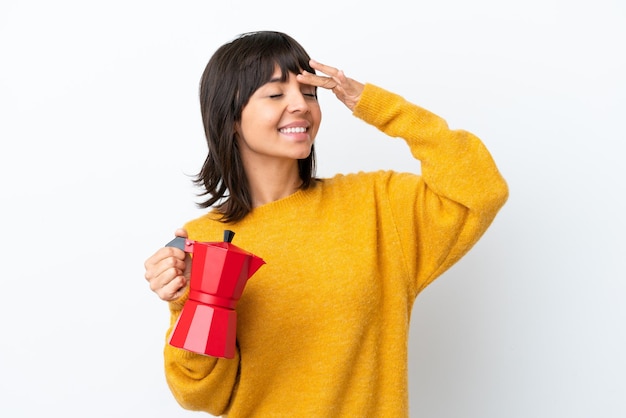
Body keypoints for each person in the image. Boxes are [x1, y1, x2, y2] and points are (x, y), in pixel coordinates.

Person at [144, 30, 508, 417]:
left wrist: (376, 105)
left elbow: (481, 189)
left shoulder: (377, 205)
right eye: (275, 94)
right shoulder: (200, 240)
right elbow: (199, 395)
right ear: (230, 116)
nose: (301, 105)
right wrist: (189, 299)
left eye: (310, 93)